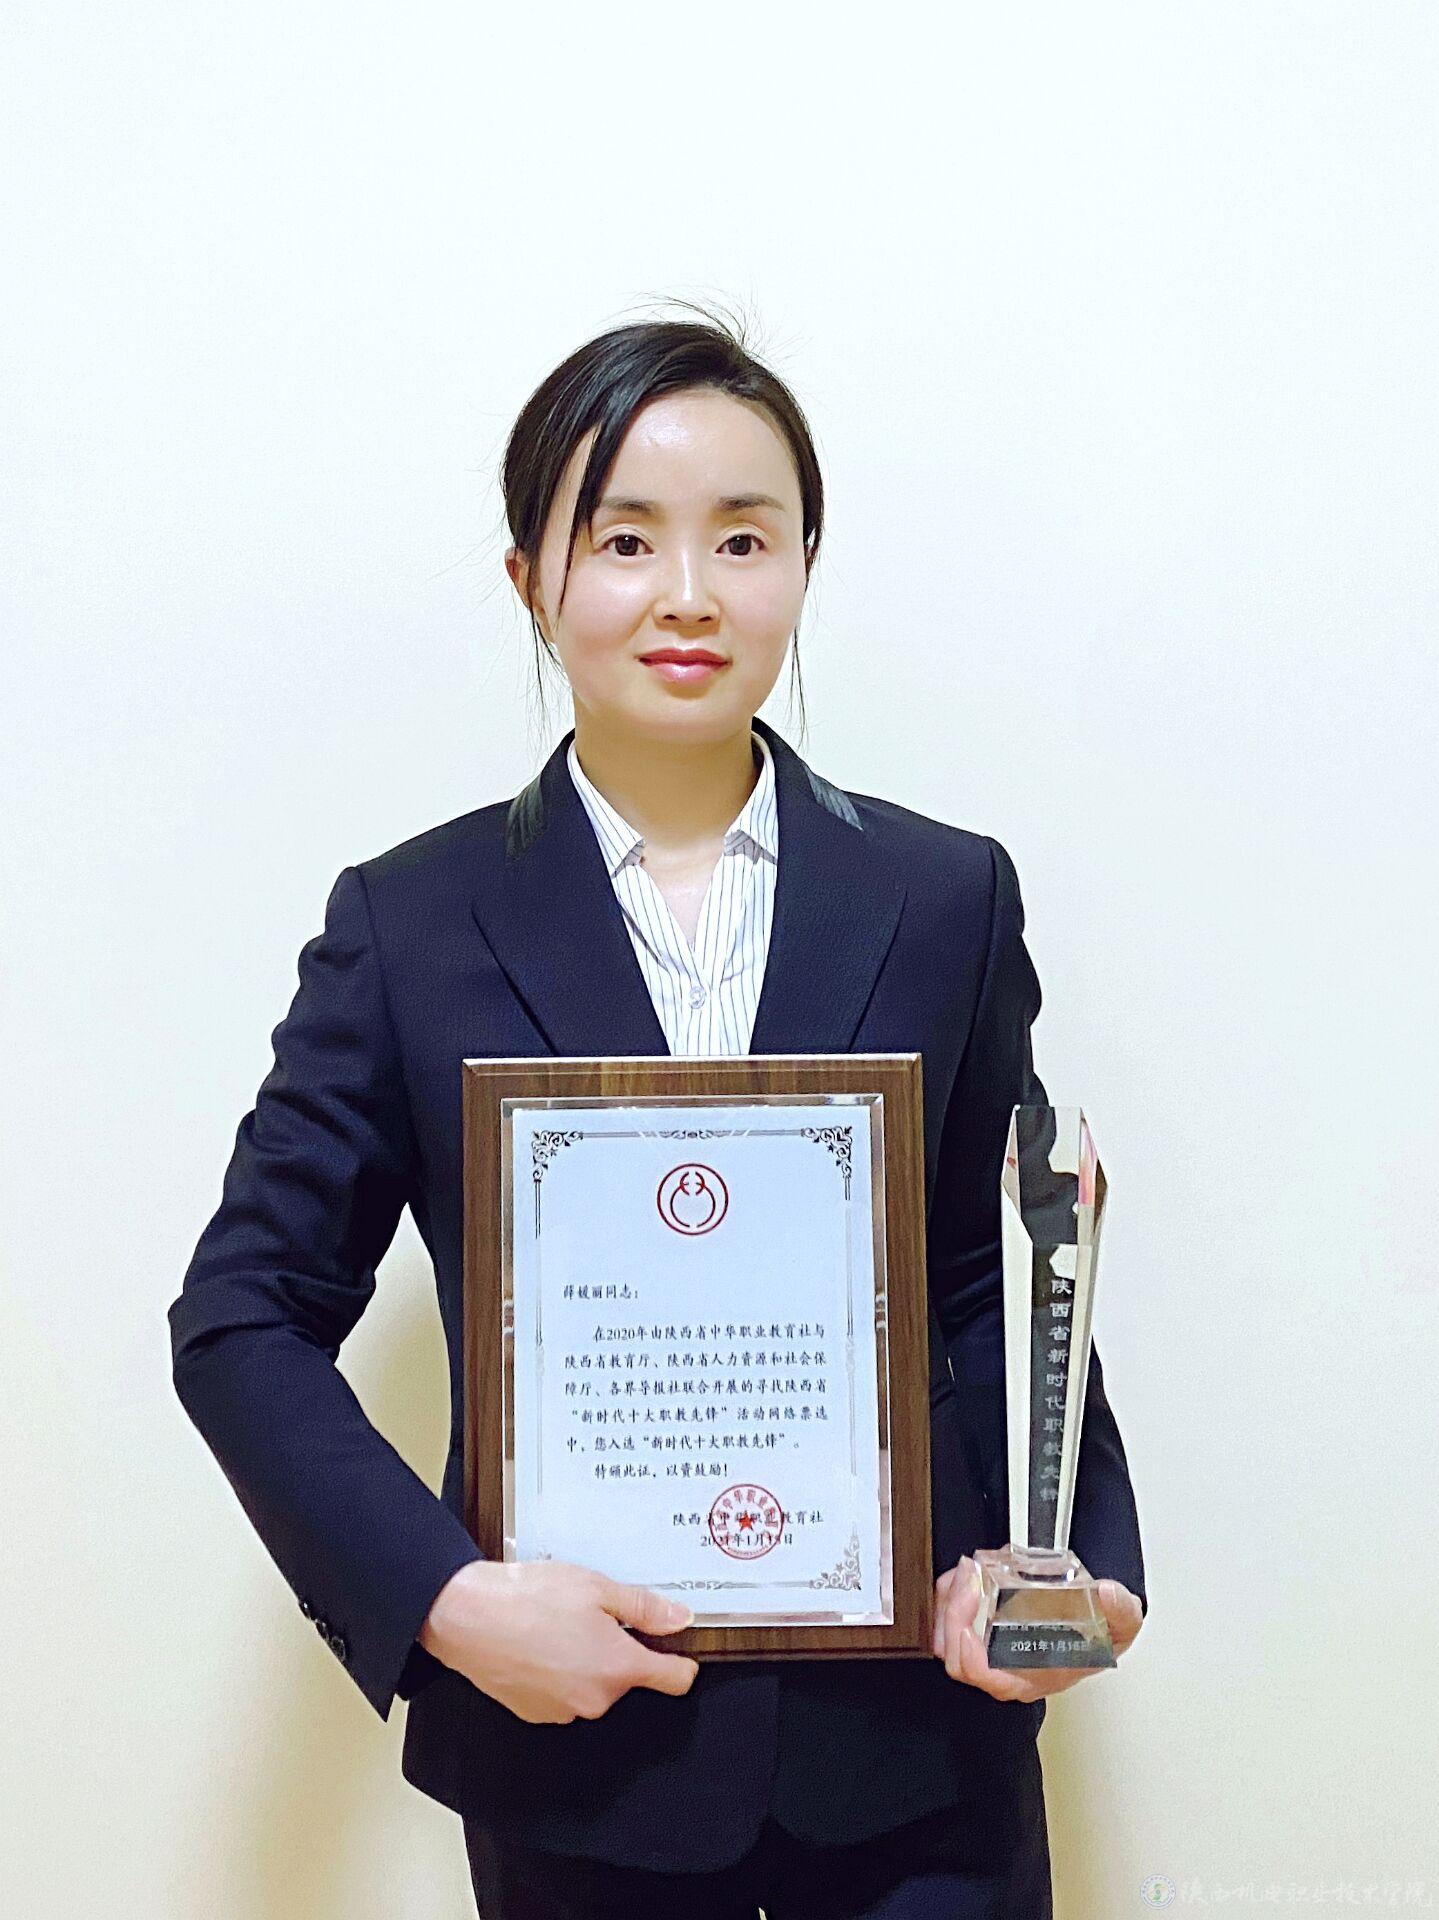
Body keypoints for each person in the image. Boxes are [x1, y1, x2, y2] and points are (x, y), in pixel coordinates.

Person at [168, 309, 1148, 1918]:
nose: (689, 591)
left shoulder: (943, 896)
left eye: (743, 538)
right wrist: (450, 1601)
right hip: (578, 1765)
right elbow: (242, 1318)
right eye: (625, 539)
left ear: (805, 564)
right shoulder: (409, 926)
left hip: (915, 1759)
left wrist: (1077, 1568)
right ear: (531, 580)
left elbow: (1002, 1274)